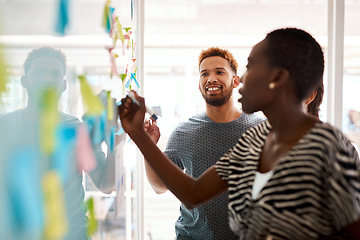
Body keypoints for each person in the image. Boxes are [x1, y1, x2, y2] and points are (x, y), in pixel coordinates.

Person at [119, 28, 360, 239]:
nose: (242, 78)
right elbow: (193, 194)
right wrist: (137, 133)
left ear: (277, 78)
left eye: (252, 66)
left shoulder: (328, 147)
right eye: (204, 73)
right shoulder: (255, 140)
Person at [143, 47, 265, 239]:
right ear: (199, 85)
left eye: (219, 72)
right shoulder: (184, 132)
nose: (211, 78)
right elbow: (159, 186)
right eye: (204, 74)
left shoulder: (261, 129)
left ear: (235, 81)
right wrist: (148, 145)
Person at [0, 47, 116, 240]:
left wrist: (112, 141)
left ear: (63, 85)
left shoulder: (78, 129)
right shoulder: (5, 126)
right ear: (24, 81)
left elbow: (105, 184)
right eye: (39, 72)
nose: (47, 79)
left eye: (54, 74)